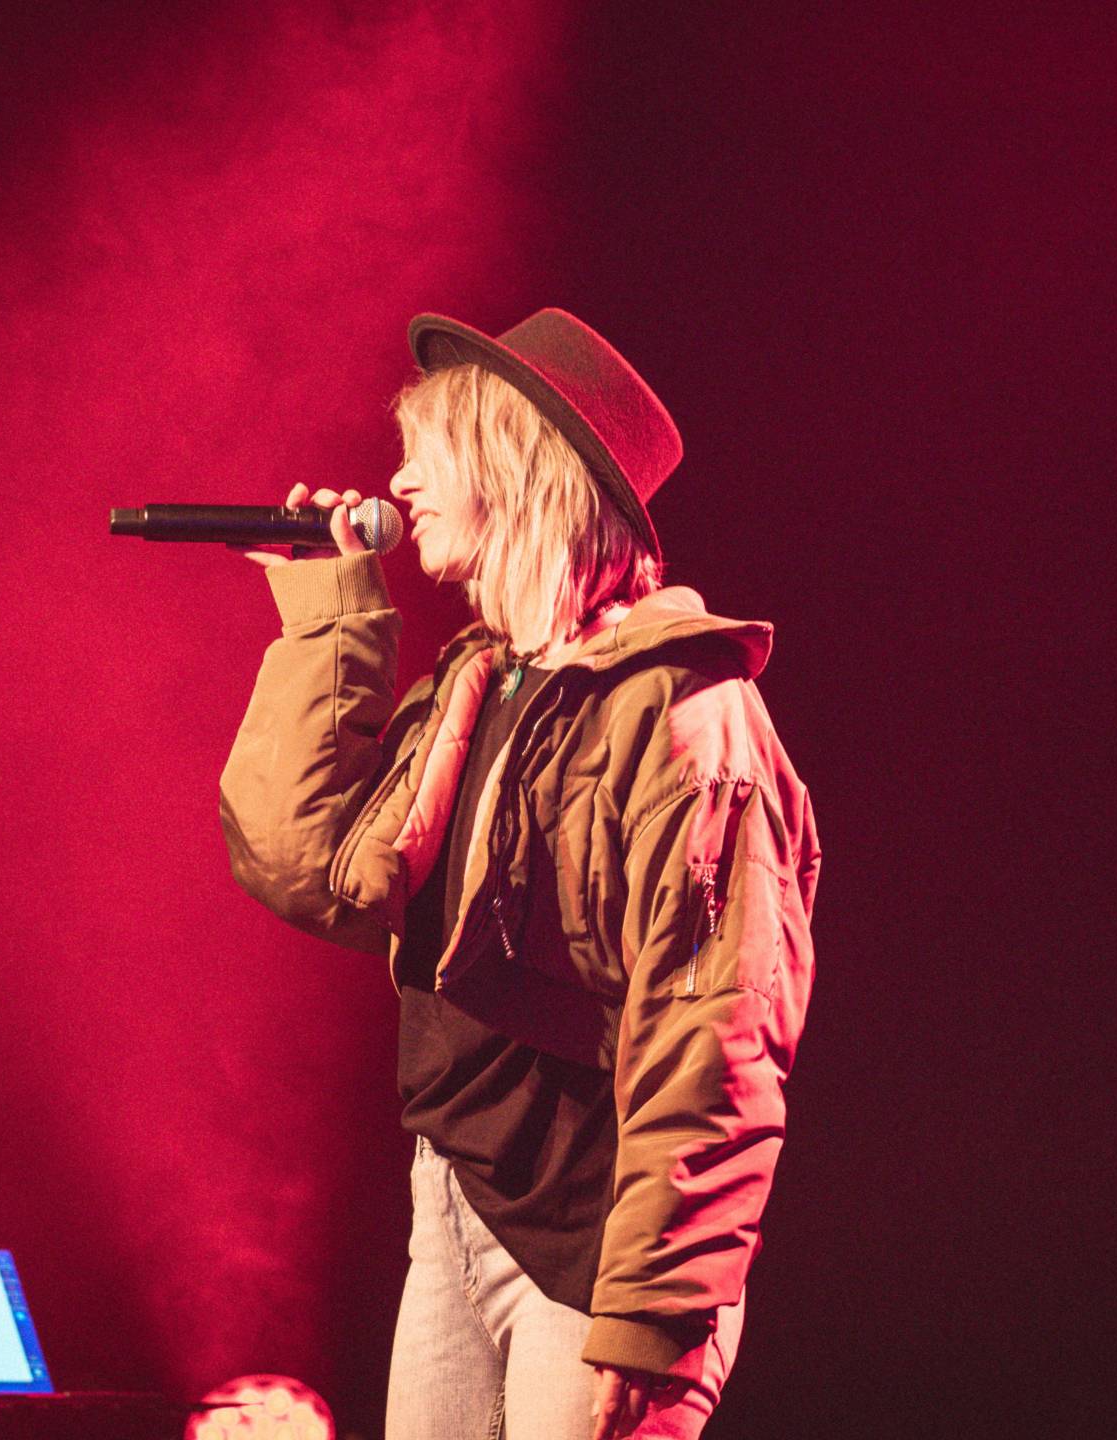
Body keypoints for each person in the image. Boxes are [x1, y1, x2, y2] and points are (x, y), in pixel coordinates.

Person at [219, 309, 818, 1440]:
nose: (399, 482)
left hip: (598, 1235)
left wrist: (655, 1309)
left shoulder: (687, 715)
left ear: (513, 463)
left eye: (428, 454)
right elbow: (309, 865)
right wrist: (329, 612)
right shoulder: (477, 687)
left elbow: (718, 1027)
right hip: (458, 1195)